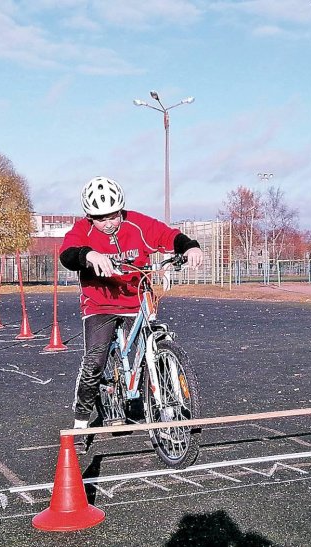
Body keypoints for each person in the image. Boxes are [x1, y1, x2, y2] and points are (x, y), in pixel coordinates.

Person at [59, 176, 204, 454]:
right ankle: (80, 422)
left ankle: (162, 402)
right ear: (90, 217)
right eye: (101, 218)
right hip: (100, 304)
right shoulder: (83, 231)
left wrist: (189, 246)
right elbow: (68, 253)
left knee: (149, 347)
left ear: (121, 209)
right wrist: (88, 255)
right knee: (95, 362)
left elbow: (168, 235)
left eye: (113, 215)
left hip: (136, 299)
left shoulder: (137, 223)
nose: (109, 223)